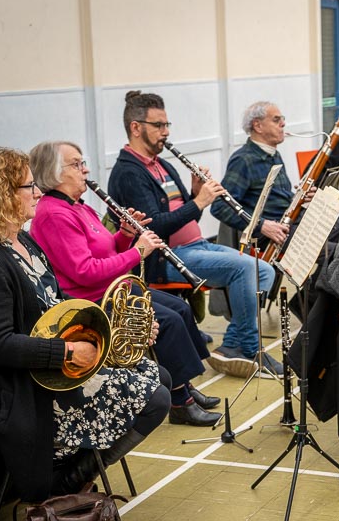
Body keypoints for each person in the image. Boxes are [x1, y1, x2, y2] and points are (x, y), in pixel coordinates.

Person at [0, 147, 171, 497]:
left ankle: (74, 466)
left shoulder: (22, 240)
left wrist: (115, 328)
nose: (38, 193)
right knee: (155, 399)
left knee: (159, 376)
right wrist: (68, 352)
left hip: (52, 366)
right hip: (28, 386)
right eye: (29, 186)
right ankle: (63, 483)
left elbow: (58, 303)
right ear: (0, 194)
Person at [28, 140, 220, 427]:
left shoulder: (79, 206)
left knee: (180, 309)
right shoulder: (54, 214)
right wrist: (138, 252)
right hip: (91, 301)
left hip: (113, 288)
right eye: (77, 164)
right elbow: (85, 271)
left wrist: (125, 235)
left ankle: (185, 385)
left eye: (83, 163)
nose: (85, 169)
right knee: (167, 321)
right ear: (53, 173)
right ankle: (180, 402)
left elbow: (105, 250)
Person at [106, 90, 282, 379]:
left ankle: (234, 343)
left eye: (166, 125)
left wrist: (194, 195)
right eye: (158, 125)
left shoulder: (162, 164)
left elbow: (188, 216)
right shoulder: (129, 173)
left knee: (264, 270)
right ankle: (250, 349)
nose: (165, 132)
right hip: (165, 259)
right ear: (136, 128)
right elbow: (154, 227)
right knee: (244, 268)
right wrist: (198, 202)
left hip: (196, 246)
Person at [212, 101, 297, 251]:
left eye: (282, 119)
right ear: (258, 126)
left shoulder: (274, 154)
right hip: (270, 235)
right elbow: (220, 206)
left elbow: (281, 198)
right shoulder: (243, 160)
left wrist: (301, 199)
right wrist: (260, 225)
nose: (283, 124)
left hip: (289, 223)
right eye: (276, 120)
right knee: (332, 250)